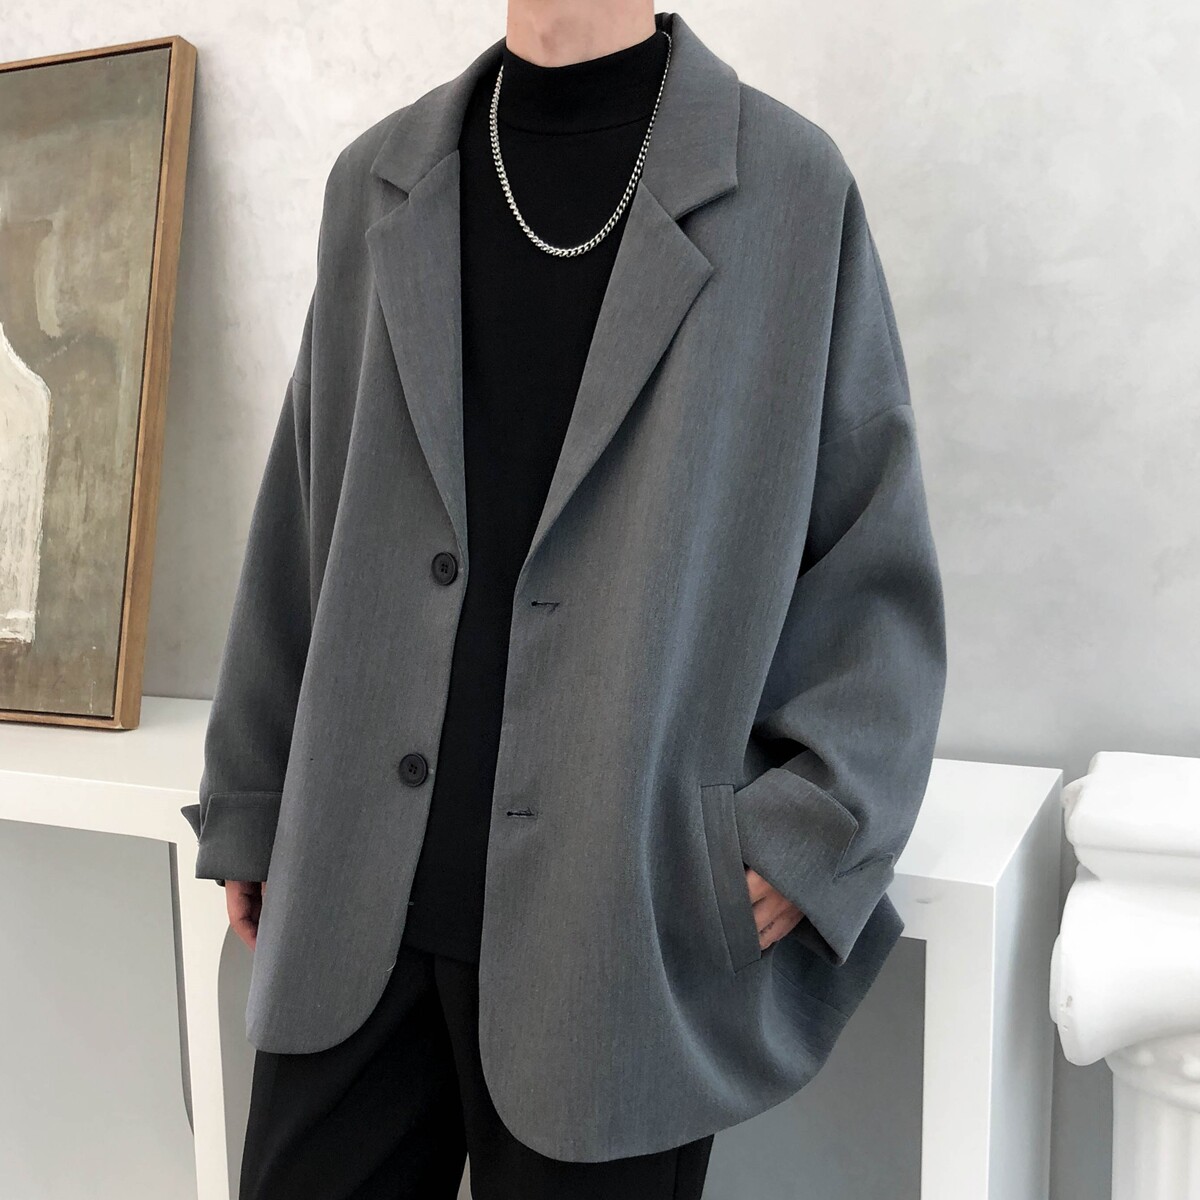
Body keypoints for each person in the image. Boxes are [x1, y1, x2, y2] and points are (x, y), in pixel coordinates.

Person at [182, 5, 947, 1198]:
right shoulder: (377, 180)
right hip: (349, 895)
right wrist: (254, 798)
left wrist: (813, 832)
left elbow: (870, 554)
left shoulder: (790, 190)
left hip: (616, 930)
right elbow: (301, 513)